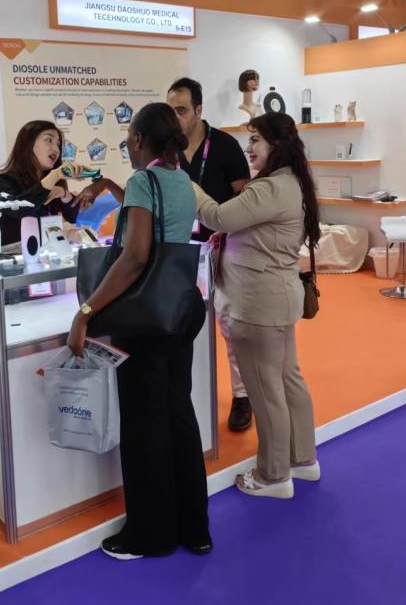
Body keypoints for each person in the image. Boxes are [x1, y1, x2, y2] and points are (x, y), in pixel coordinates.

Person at [67, 103, 211, 560]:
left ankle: (149, 535)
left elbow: (133, 257)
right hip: (180, 306)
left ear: (140, 140)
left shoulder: (142, 182)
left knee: (145, 425)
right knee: (178, 414)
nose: (128, 143)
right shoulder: (181, 179)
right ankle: (194, 527)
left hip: (145, 318)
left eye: (130, 135)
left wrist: (85, 312)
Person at [193, 112, 320, 499]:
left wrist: (190, 186)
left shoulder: (269, 188)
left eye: (255, 140)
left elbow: (217, 217)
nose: (248, 148)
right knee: (287, 380)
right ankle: (302, 459)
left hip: (257, 304)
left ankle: (273, 475)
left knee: (265, 391)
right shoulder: (291, 182)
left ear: (276, 144)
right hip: (276, 298)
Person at [166, 77, 253, 432]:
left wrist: (225, 225)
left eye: (181, 110)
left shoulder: (226, 146)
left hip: (225, 245)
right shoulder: (167, 148)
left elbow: (245, 197)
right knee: (181, 323)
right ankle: (189, 396)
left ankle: (243, 395)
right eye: (170, 110)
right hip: (180, 249)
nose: (175, 117)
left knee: (230, 326)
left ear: (199, 110)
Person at [0, 120, 79, 246]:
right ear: (28, 144)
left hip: (49, 255)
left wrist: (63, 193)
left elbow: (74, 217)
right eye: (49, 140)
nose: (56, 149)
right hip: (15, 256)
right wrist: (55, 175)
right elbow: (22, 210)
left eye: (58, 144)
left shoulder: (52, 183)